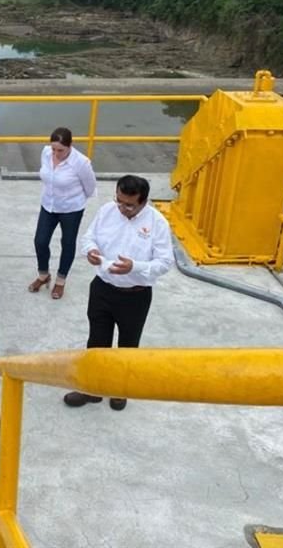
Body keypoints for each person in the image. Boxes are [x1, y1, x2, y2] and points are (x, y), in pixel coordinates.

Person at [63, 175, 175, 411]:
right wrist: (91, 250)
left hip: (135, 295)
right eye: (119, 201)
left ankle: (119, 389)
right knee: (96, 342)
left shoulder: (158, 223)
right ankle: (92, 388)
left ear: (143, 202)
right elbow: (89, 237)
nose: (122, 208)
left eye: (129, 205)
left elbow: (165, 262)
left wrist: (135, 267)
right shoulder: (107, 211)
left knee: (127, 345)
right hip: (103, 288)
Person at [28, 127, 97, 300]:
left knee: (67, 243)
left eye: (61, 150)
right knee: (40, 241)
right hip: (49, 204)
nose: (56, 153)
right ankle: (44, 275)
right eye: (54, 149)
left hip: (71, 208)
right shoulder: (45, 153)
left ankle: (60, 280)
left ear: (70, 146)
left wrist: (75, 199)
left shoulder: (81, 163)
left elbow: (90, 187)